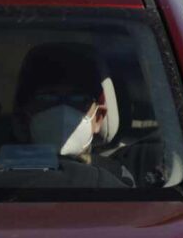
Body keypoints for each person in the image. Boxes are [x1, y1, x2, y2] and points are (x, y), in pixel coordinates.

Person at [14, 42, 135, 185]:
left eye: (78, 100)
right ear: (24, 118)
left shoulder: (117, 180)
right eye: (47, 98)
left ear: (98, 118)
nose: (63, 109)